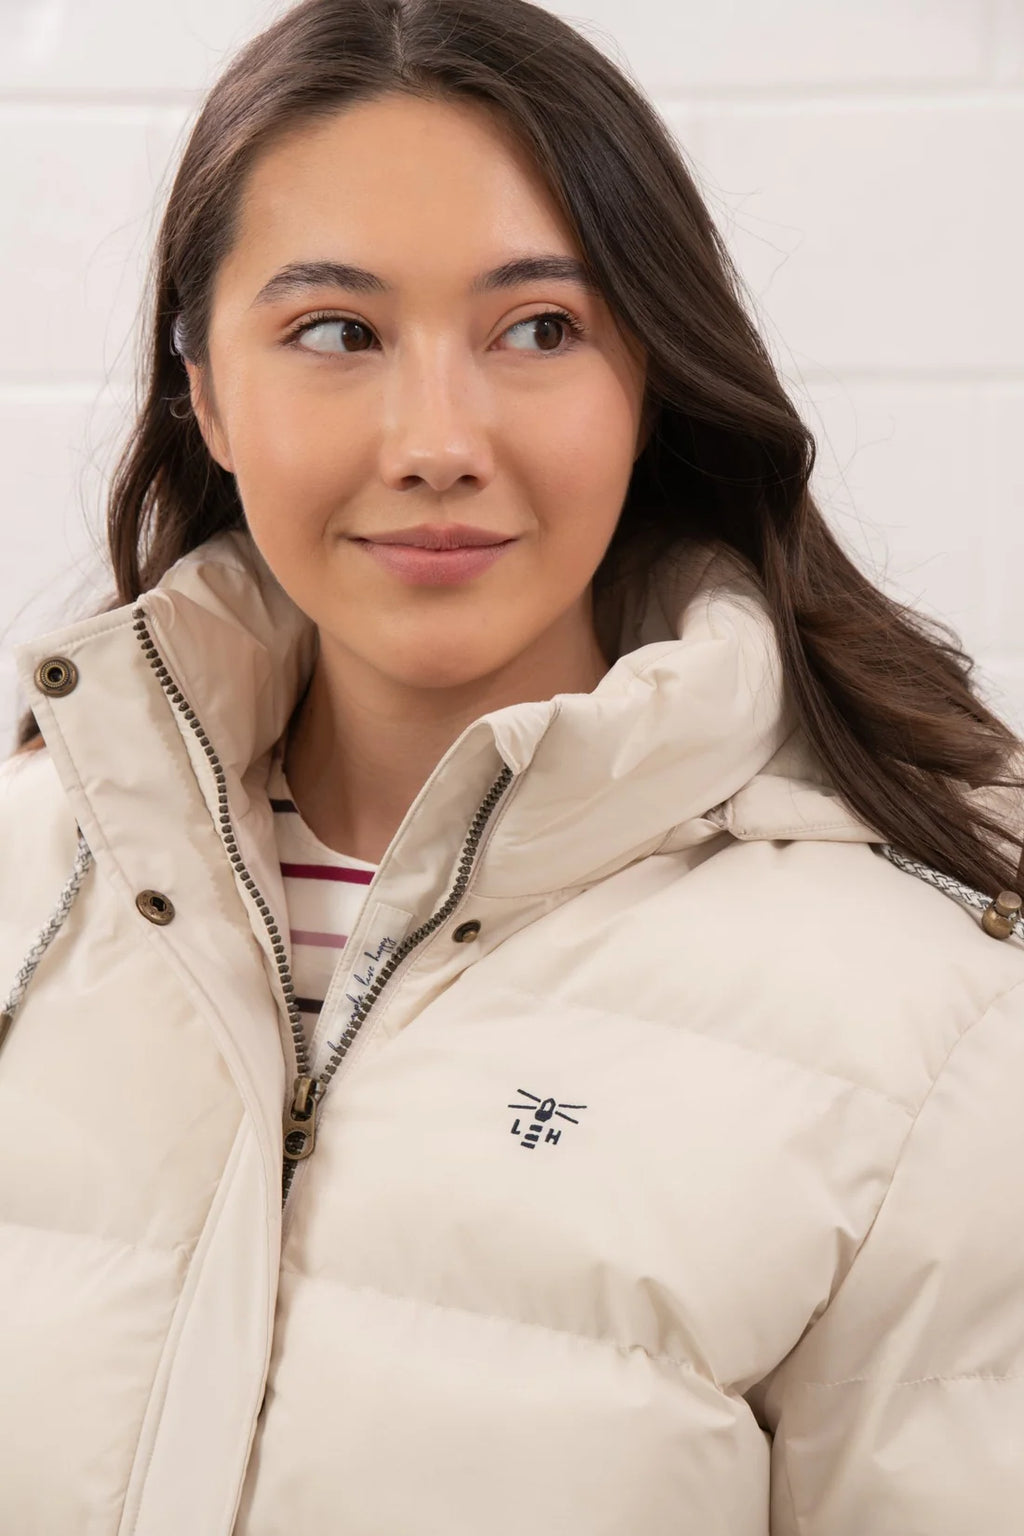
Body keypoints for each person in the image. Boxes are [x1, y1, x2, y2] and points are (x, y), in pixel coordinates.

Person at [2, 0, 1023, 1529]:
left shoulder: (936, 1009)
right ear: (205, 393)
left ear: (649, 383)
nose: (436, 437)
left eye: (539, 330)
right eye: (334, 332)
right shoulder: (24, 878)